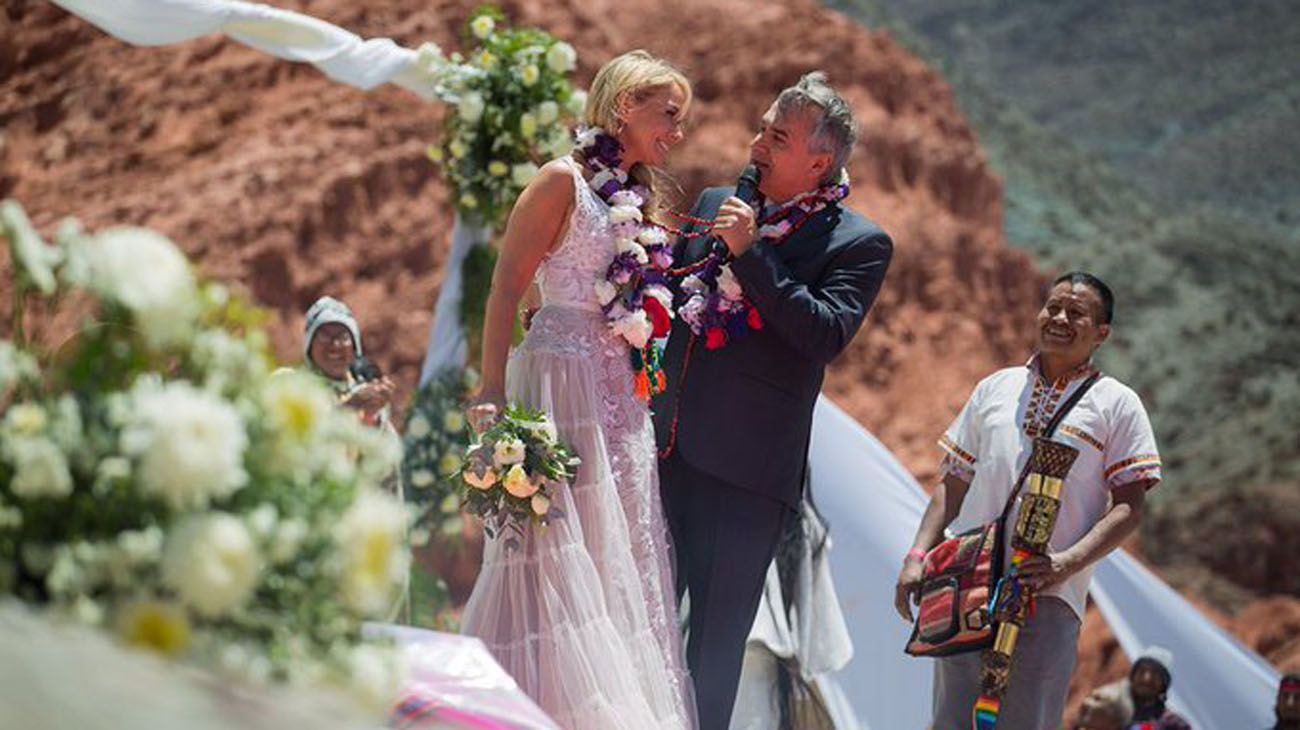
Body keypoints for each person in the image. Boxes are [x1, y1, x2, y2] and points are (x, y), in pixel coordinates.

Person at [461, 51, 694, 729]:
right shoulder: (560, 182)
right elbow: (506, 286)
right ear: (625, 107)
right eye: (668, 114)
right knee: (552, 552)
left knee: (619, 549)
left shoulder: (638, 200)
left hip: (618, 396)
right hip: (558, 388)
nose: (677, 133)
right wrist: (490, 386)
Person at [654, 71, 894, 729]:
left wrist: (753, 253)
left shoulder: (859, 243)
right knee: (638, 615)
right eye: (762, 127)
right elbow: (669, 307)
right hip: (666, 449)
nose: (758, 142)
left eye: (777, 136)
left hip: (748, 478)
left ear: (818, 161)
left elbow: (823, 334)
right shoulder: (713, 199)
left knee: (715, 645)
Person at [894, 272, 1163, 730]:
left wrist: (1065, 563)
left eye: (1076, 313)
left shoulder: (1117, 404)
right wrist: (918, 554)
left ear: (1102, 333)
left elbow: (1129, 506)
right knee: (951, 720)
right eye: (1053, 307)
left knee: (1027, 721)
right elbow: (954, 481)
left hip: (1050, 594)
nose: (1059, 318)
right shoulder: (995, 387)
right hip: (967, 586)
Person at [302, 295, 396, 430]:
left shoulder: (364, 391)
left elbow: (389, 448)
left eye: (343, 337)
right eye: (324, 336)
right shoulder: (290, 383)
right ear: (309, 346)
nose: (334, 345)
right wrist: (350, 407)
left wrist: (372, 417)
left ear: (354, 348)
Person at [1128, 646, 1192, 729]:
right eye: (1142, 671)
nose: (1146, 679)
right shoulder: (1111, 710)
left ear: (1164, 685)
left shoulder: (1175, 725)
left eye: (1155, 674)